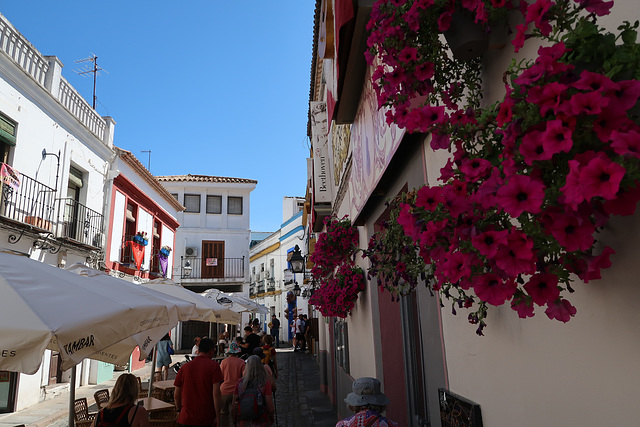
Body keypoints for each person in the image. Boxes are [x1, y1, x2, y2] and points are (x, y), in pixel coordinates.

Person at [174, 338, 223, 427]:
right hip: (206, 418)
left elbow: (176, 395)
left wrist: (178, 410)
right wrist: (218, 416)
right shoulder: (214, 366)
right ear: (211, 351)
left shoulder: (184, 367)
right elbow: (216, 394)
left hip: (185, 418)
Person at [232, 355, 275, 426]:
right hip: (261, 421)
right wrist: (271, 418)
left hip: (244, 421)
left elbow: (234, 405)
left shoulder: (240, 383)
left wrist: (234, 421)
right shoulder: (265, 383)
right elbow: (270, 406)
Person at [219, 341, 245, 427]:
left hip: (224, 390)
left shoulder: (224, 362)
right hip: (237, 390)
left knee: (223, 412)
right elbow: (244, 377)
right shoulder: (241, 362)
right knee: (237, 413)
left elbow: (220, 377)